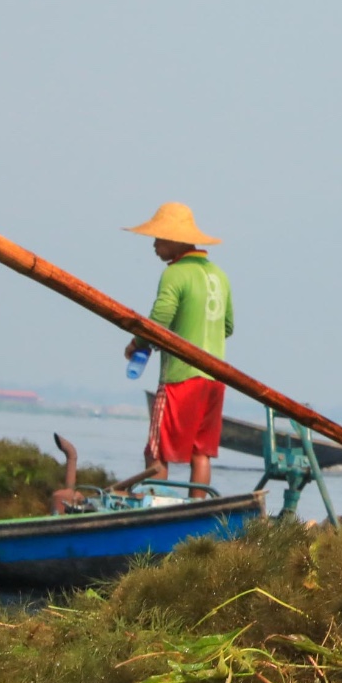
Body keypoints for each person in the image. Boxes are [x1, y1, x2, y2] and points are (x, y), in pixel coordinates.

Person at [122, 203, 233, 499]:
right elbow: (228, 326)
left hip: (180, 378)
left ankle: (159, 508)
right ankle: (197, 510)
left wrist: (137, 344)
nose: (155, 246)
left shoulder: (175, 275)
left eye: (158, 239)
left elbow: (158, 321)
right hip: (215, 378)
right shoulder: (219, 276)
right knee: (201, 452)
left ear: (174, 241)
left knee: (156, 451)